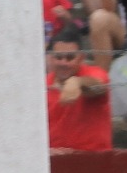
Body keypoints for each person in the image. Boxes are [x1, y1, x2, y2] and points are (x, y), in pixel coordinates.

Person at [46, 24, 111, 153]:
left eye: (70, 58)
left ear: (81, 58)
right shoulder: (43, 84)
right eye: (58, 57)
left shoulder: (94, 73)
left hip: (94, 160)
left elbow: (98, 86)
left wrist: (78, 82)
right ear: (51, 58)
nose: (63, 63)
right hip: (54, 162)